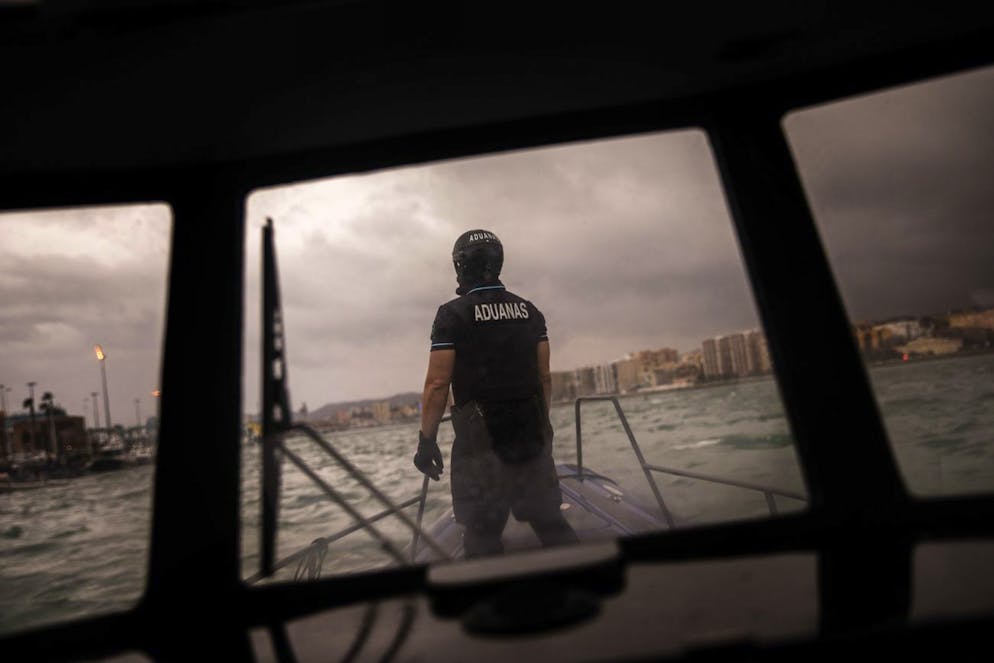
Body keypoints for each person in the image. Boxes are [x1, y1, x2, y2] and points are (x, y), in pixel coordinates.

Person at [414, 229, 578, 558]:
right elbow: (544, 376)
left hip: (481, 443)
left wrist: (426, 441)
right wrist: (542, 424)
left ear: (460, 265)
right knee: (550, 523)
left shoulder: (452, 315)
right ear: (498, 263)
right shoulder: (530, 312)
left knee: (482, 535)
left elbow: (437, 384)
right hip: (530, 434)